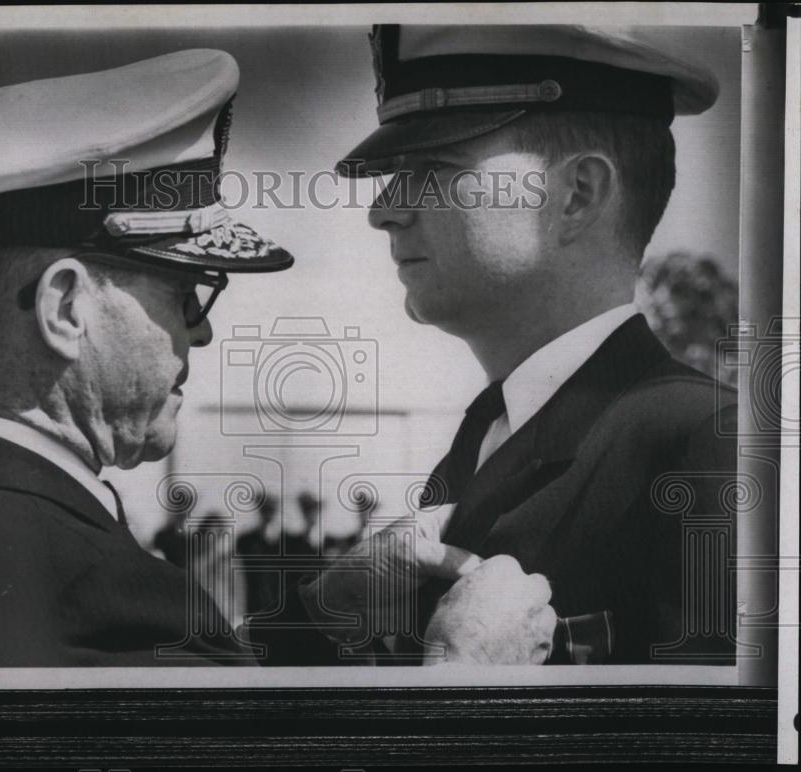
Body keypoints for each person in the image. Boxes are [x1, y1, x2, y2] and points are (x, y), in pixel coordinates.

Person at [280, 25, 739, 666]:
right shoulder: (488, 432)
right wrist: (324, 618)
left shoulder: (706, 440)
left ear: (576, 195)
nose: (382, 211)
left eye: (434, 168)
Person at [0, 50, 300, 667]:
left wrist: (311, 621)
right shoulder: (119, 602)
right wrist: (457, 667)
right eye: (185, 295)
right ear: (66, 309)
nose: (200, 333)